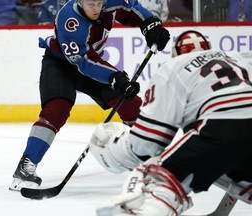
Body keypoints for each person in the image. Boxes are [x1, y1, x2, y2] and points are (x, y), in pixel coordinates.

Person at [9, 0, 170, 191]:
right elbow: (84, 62)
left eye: (99, 3)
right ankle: (26, 165)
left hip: (91, 63)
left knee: (130, 104)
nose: (96, 9)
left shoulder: (108, 3)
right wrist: (114, 77)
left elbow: (131, 8)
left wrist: (150, 25)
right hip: (60, 66)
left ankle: (148, 160)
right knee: (56, 111)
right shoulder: (70, 20)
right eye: (91, 4)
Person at [89, 30, 252, 215]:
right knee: (225, 161)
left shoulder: (174, 66)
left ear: (175, 54)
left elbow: (146, 145)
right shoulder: (239, 59)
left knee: (153, 177)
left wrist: (112, 148)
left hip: (220, 129)